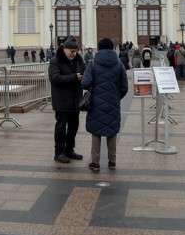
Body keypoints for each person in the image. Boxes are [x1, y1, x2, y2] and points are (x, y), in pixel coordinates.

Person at [81, 37, 128, 172]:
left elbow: (85, 83)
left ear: (99, 48)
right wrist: (116, 97)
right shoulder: (119, 65)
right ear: (113, 48)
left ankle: (95, 163)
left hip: (96, 103)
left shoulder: (93, 64)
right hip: (113, 103)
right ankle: (112, 161)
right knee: (112, 131)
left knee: (96, 132)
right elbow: (124, 87)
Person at [48, 36, 85, 164]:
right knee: (61, 127)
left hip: (75, 100)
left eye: (76, 51)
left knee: (74, 126)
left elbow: (85, 73)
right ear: (64, 49)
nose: (74, 53)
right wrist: (74, 77)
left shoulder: (79, 60)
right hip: (62, 100)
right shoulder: (55, 61)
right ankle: (59, 152)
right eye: (71, 51)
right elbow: (55, 79)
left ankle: (69, 150)